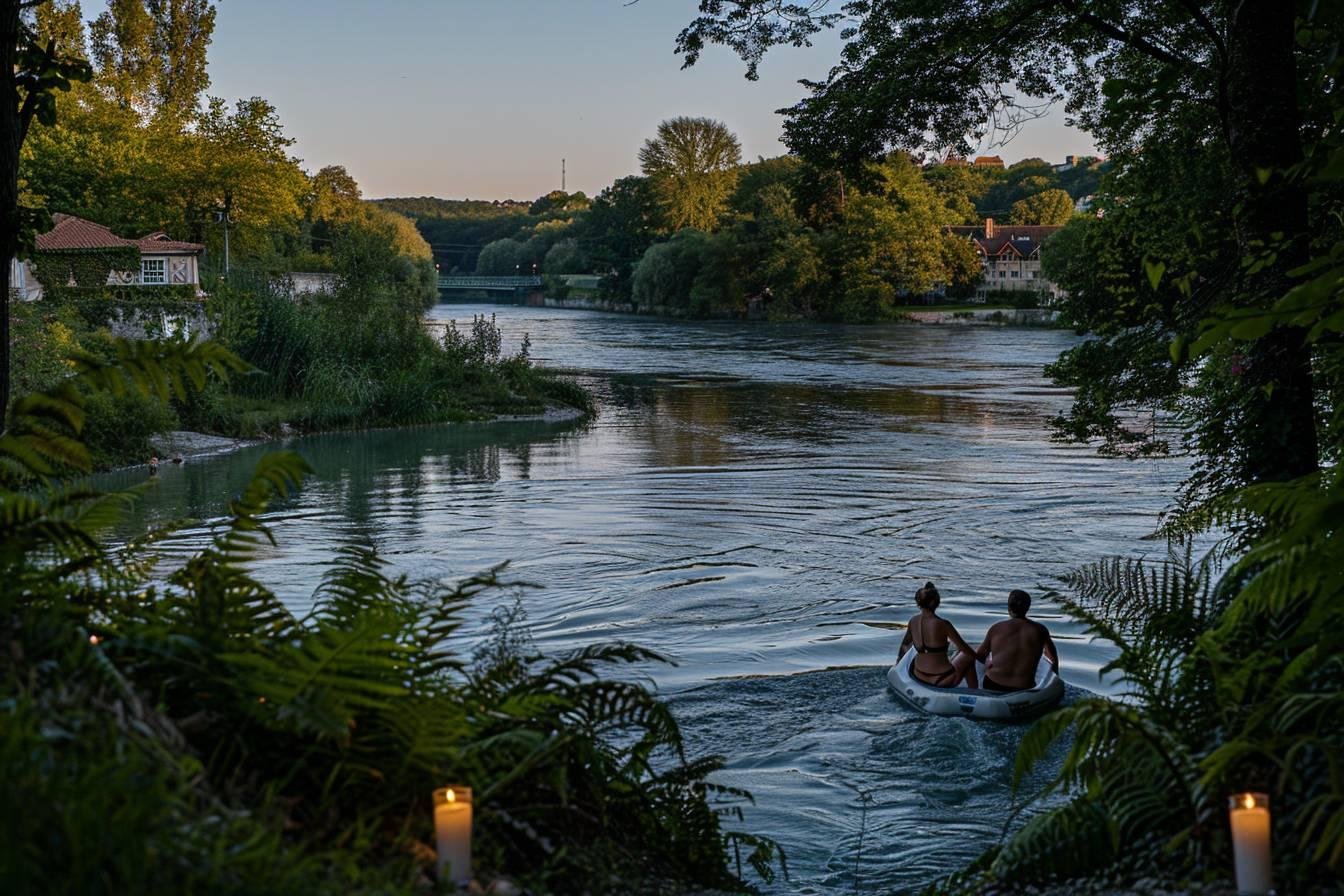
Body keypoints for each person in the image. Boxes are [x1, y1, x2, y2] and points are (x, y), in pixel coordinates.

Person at [974, 589, 1060, 693]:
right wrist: (1056, 677)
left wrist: (988, 662)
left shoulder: (996, 628)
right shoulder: (1040, 630)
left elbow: (980, 656)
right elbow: (1053, 659)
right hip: (1023, 688)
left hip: (992, 684)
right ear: (1028, 608)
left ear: (1009, 607)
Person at [899, 582, 978, 688]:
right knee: (968, 657)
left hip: (918, 674)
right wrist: (983, 658)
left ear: (919, 602)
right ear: (936, 602)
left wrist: (898, 662)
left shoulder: (913, 621)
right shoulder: (943, 624)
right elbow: (967, 651)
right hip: (941, 678)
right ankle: (974, 693)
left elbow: (904, 644)